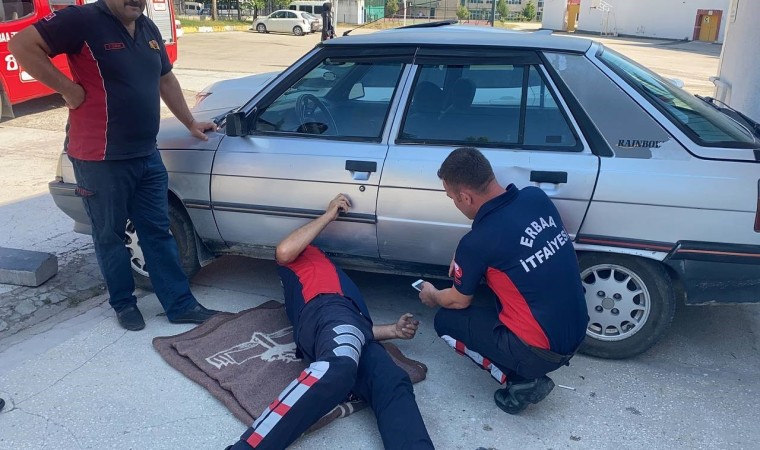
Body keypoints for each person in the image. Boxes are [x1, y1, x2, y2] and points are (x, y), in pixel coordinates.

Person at [8, 0, 222, 331]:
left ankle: (180, 304)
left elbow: (166, 79)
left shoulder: (147, 27)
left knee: (157, 231)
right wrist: (67, 90)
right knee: (110, 235)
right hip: (99, 157)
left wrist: (191, 122)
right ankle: (123, 304)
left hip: (145, 155)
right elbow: (21, 44)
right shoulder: (82, 19)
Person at [227, 194, 434, 450]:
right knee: (339, 366)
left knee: (392, 379)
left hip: (349, 326)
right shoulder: (301, 256)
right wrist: (328, 215)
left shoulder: (325, 267)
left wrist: (392, 330)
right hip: (327, 310)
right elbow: (283, 250)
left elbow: (350, 332)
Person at [418, 147, 589, 414]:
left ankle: (520, 382)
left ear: (465, 197)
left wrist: (432, 295)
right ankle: (525, 363)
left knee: (445, 321)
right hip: (578, 331)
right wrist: (466, 253)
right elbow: (506, 236)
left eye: (452, 197)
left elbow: (458, 301)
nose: (454, 203)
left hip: (539, 352)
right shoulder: (536, 197)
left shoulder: (478, 243)